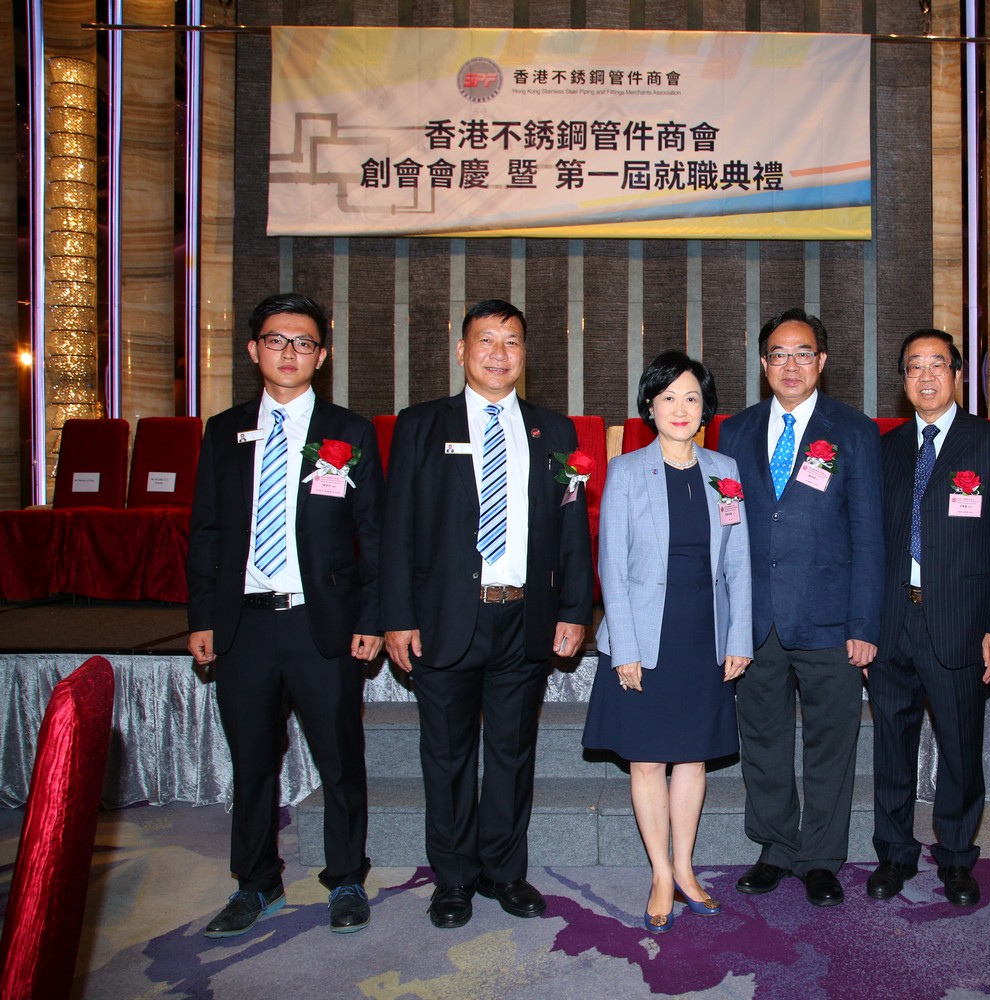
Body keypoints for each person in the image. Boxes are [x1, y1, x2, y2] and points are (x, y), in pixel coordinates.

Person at [381, 298, 592, 929]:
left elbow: (571, 528)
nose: (500, 354)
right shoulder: (421, 425)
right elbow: (397, 530)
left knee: (511, 753)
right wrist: (397, 616)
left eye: (512, 342)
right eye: (486, 340)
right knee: (446, 756)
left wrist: (574, 608)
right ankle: (453, 878)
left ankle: (504, 870)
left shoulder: (554, 431)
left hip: (524, 617)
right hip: (445, 619)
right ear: (462, 350)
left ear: (525, 354)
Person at [187, 292, 383, 936]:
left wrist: (370, 618)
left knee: (339, 758)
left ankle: (346, 878)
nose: (290, 352)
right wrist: (202, 617)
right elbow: (206, 531)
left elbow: (373, 535)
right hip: (243, 625)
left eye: (304, 342)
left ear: (322, 356)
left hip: (321, 624)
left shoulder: (348, 432)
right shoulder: (224, 431)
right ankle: (255, 882)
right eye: (276, 340)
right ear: (254, 350)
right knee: (252, 763)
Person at [717, 308, 884, 907]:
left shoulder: (854, 430)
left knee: (830, 745)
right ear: (763, 364)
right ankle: (775, 847)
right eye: (779, 355)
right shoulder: (734, 431)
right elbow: (727, 527)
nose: (791, 365)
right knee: (762, 740)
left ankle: (820, 857)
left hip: (831, 620)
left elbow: (870, 534)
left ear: (823, 361)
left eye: (803, 353)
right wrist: (726, 619)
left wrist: (865, 624)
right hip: (756, 619)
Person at [582, 351, 753, 933]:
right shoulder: (628, 470)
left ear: (706, 409)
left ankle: (685, 867)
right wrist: (625, 648)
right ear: (650, 407)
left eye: (692, 398)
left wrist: (739, 636)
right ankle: (659, 872)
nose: (681, 409)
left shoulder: (725, 470)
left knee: (693, 757)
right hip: (644, 632)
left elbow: (738, 562)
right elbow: (612, 565)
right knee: (649, 758)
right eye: (668, 398)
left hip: (704, 630)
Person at [865, 329, 990, 906]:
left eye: (937, 364)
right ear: (903, 380)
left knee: (959, 748)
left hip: (961, 623)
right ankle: (894, 853)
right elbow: (870, 545)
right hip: (892, 622)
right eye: (914, 366)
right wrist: (865, 626)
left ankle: (957, 857)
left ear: (957, 374)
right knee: (891, 748)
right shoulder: (885, 449)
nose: (926, 376)